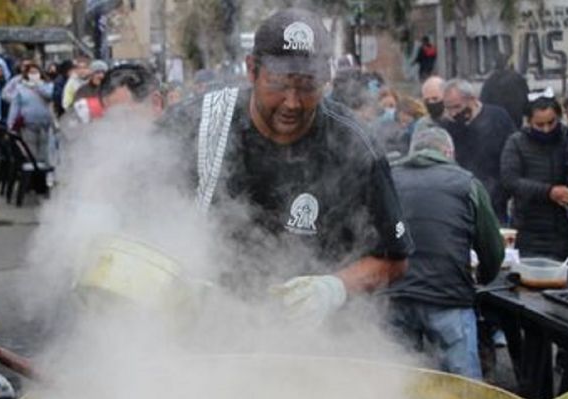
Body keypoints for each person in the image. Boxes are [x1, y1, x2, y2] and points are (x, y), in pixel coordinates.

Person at [159, 7, 413, 326]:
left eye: (308, 86)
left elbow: (395, 260)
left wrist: (333, 288)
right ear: (252, 70)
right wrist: (169, 279)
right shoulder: (195, 126)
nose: (292, 102)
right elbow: (134, 214)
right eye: (278, 83)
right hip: (206, 334)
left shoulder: (356, 144)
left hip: (314, 342)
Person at [385, 126, 503, 379]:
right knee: (463, 385)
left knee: (396, 383)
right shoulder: (467, 183)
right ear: (448, 152)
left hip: (395, 292)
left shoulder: (389, 179)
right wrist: (483, 276)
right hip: (449, 296)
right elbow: (492, 248)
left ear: (412, 150)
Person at [501, 95, 568, 261]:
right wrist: (548, 192)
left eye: (551, 123)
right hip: (529, 230)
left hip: (565, 230)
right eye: (540, 125)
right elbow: (510, 180)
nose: (546, 130)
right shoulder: (516, 143)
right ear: (529, 122)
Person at [442, 79, 516, 222]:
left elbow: (511, 156)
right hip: (462, 202)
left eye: (457, 107)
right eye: (448, 108)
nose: (452, 113)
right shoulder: (448, 127)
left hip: (496, 200)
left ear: (472, 99)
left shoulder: (498, 118)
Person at [7, 62, 54, 164]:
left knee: (44, 154)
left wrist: (38, 86)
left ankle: (43, 176)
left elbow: (50, 96)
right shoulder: (20, 88)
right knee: (31, 154)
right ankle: (34, 175)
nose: (34, 75)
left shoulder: (47, 85)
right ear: (26, 74)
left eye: (36, 72)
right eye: (31, 72)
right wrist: (10, 124)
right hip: (28, 125)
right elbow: (15, 106)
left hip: (45, 125)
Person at [480, 52, 530, 128]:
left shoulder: (490, 81)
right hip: (515, 121)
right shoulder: (517, 78)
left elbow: (483, 103)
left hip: (496, 123)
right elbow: (527, 100)